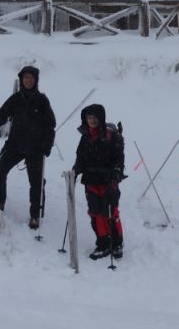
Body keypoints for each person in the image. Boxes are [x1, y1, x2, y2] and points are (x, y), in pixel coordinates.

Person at [0, 65, 56, 229]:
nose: (28, 80)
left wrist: (47, 144)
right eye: (25, 77)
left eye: (31, 78)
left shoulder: (42, 100)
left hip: (35, 148)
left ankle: (35, 215)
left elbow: (51, 124)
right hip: (15, 144)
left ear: (36, 80)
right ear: (21, 80)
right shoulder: (15, 99)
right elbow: (0, 117)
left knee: (36, 182)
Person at [71, 103, 125, 260]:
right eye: (89, 117)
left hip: (108, 181)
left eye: (95, 117)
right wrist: (75, 171)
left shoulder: (111, 136)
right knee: (95, 213)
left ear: (101, 118)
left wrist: (116, 175)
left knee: (110, 213)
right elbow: (80, 158)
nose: (92, 120)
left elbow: (118, 159)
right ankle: (103, 243)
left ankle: (117, 243)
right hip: (91, 181)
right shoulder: (85, 137)